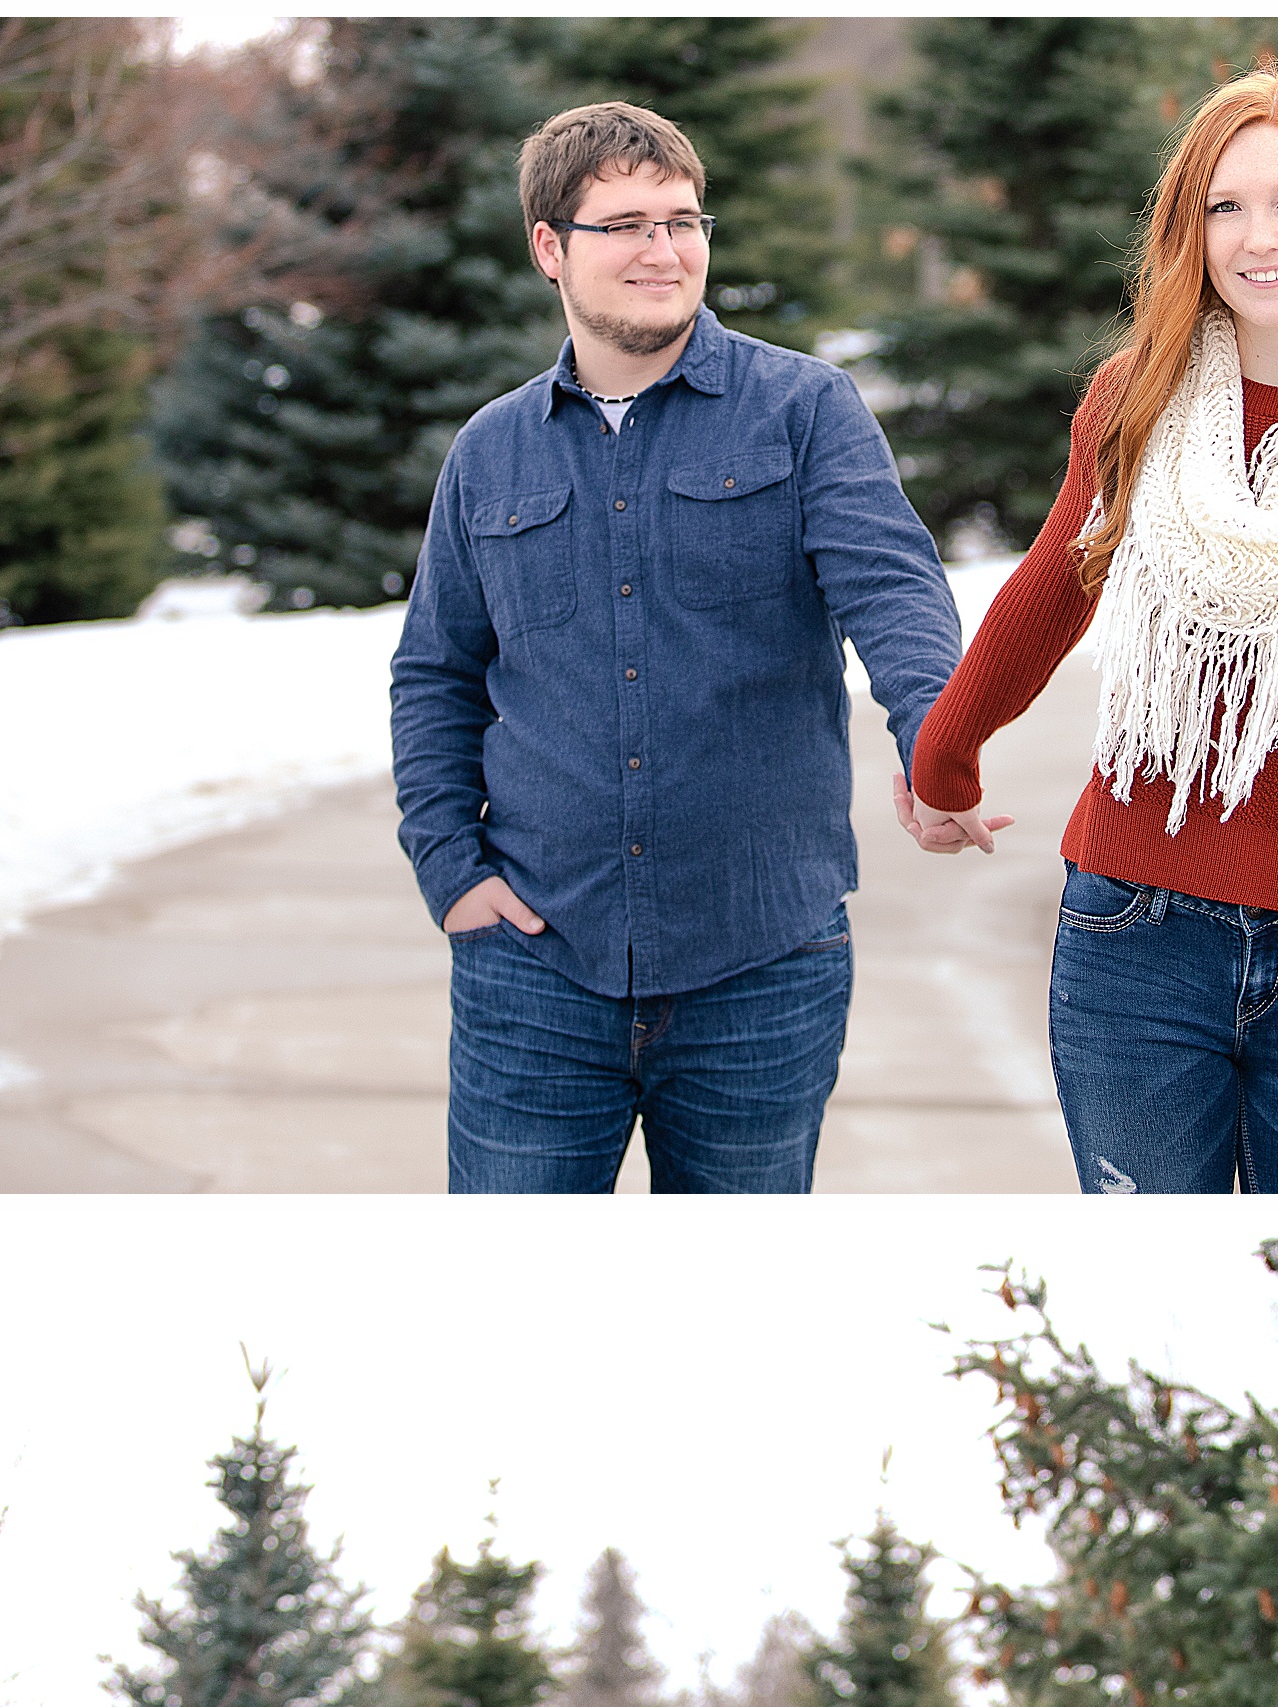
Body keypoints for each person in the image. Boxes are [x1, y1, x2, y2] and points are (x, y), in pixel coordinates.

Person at [900, 65, 1278, 1198]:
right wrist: (941, 759)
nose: (1258, 237)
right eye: (1224, 207)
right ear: (1191, 232)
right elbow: (1052, 588)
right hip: (1132, 936)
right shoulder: (1135, 399)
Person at [389, 99, 964, 1194]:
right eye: (627, 225)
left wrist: (939, 742)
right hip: (536, 970)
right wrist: (449, 869)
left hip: (762, 965)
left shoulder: (806, 412)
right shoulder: (490, 453)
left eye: (682, 220)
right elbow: (435, 673)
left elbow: (894, 593)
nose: (664, 249)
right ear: (550, 248)